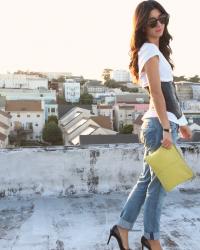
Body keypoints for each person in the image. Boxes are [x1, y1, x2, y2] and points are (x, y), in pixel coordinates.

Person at [107, 1, 192, 250]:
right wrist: (168, 129)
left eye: (162, 18)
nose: (159, 25)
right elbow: (157, 93)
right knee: (160, 185)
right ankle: (151, 238)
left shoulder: (156, 52)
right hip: (159, 125)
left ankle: (122, 228)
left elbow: (169, 93)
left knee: (147, 181)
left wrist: (182, 123)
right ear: (142, 26)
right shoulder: (150, 52)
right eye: (152, 21)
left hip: (160, 122)